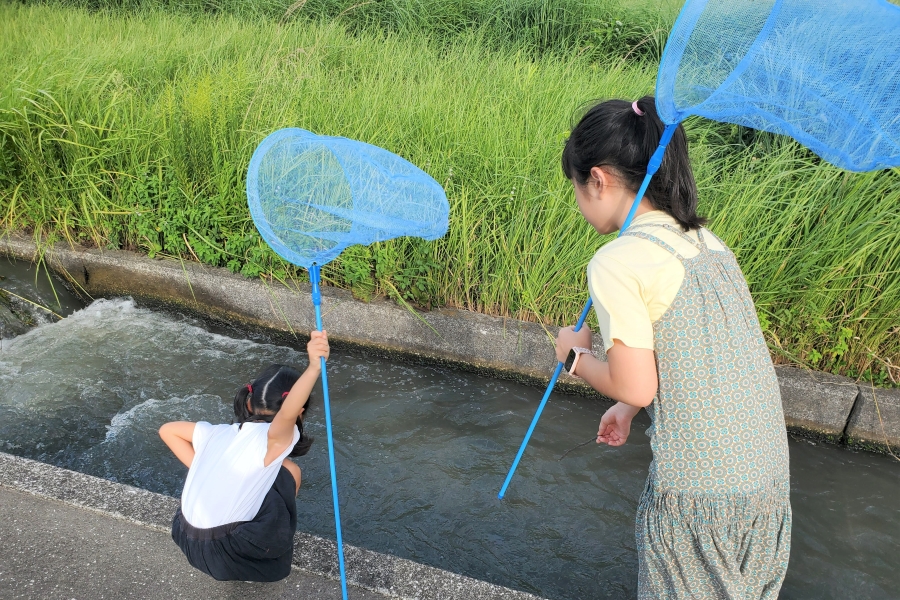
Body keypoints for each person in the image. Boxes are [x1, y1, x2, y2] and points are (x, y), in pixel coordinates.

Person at [554, 97, 791, 599]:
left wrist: (575, 358)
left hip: (699, 498)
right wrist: (627, 407)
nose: (578, 201)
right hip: (766, 487)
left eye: (576, 188)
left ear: (597, 179)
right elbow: (691, 349)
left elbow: (637, 380)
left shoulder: (617, 261)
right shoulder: (707, 241)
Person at [159, 330, 329, 582]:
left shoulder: (217, 432)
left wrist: (206, 465)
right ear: (299, 412)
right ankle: (252, 566)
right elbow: (285, 416)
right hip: (227, 553)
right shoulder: (275, 439)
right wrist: (314, 367)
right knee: (290, 472)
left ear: (249, 404)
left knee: (274, 473)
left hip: (185, 534)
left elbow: (167, 430)